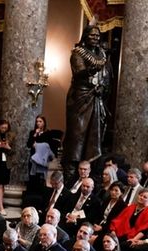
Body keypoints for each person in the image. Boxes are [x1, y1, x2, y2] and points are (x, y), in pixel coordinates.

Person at [62, 24, 112, 178]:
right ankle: (71, 172)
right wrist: (92, 70)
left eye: (97, 36)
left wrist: (102, 88)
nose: (95, 38)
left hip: (96, 98)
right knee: (77, 136)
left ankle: (88, 171)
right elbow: (79, 73)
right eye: (92, 35)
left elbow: (107, 77)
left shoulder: (103, 55)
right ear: (85, 36)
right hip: (80, 98)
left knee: (94, 137)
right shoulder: (78, 53)